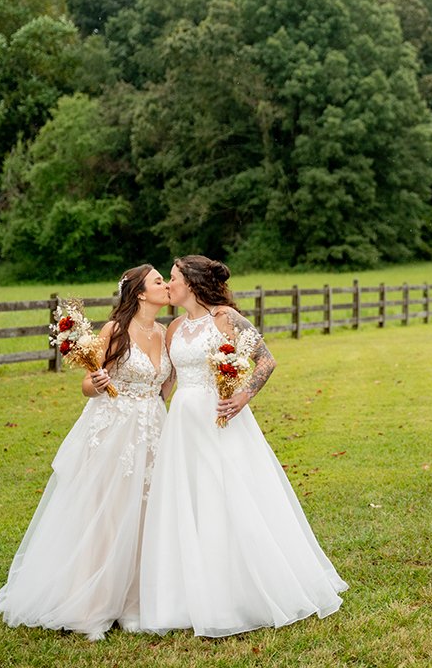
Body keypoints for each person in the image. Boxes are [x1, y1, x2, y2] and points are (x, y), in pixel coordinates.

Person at [139, 255, 347, 638]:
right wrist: (142, 405)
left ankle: (242, 589)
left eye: (173, 278)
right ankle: (188, 592)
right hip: (182, 424)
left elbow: (265, 361)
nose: (169, 284)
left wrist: (243, 395)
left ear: (192, 283)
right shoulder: (174, 328)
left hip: (220, 419)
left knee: (227, 494)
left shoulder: (226, 319)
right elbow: (168, 381)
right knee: (188, 498)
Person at [0, 264, 174, 640]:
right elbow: (87, 386)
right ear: (141, 293)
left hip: (154, 428)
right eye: (159, 281)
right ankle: (94, 602)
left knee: (146, 512)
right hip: (115, 429)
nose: (167, 285)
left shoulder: (163, 332)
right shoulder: (115, 330)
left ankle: (134, 603)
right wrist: (97, 381)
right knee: (109, 511)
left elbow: (164, 385)